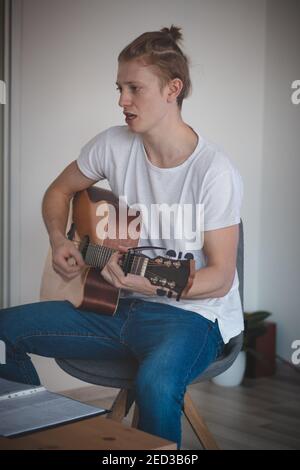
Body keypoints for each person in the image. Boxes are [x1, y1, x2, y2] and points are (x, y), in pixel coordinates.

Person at [0, 25, 244, 448]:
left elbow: (220, 278)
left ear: (173, 89)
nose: (121, 101)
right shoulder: (112, 145)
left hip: (193, 318)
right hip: (113, 306)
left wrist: (148, 282)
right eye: (119, 88)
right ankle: (37, 435)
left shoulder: (214, 171)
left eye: (134, 88)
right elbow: (58, 191)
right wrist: (60, 239)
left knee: (155, 383)